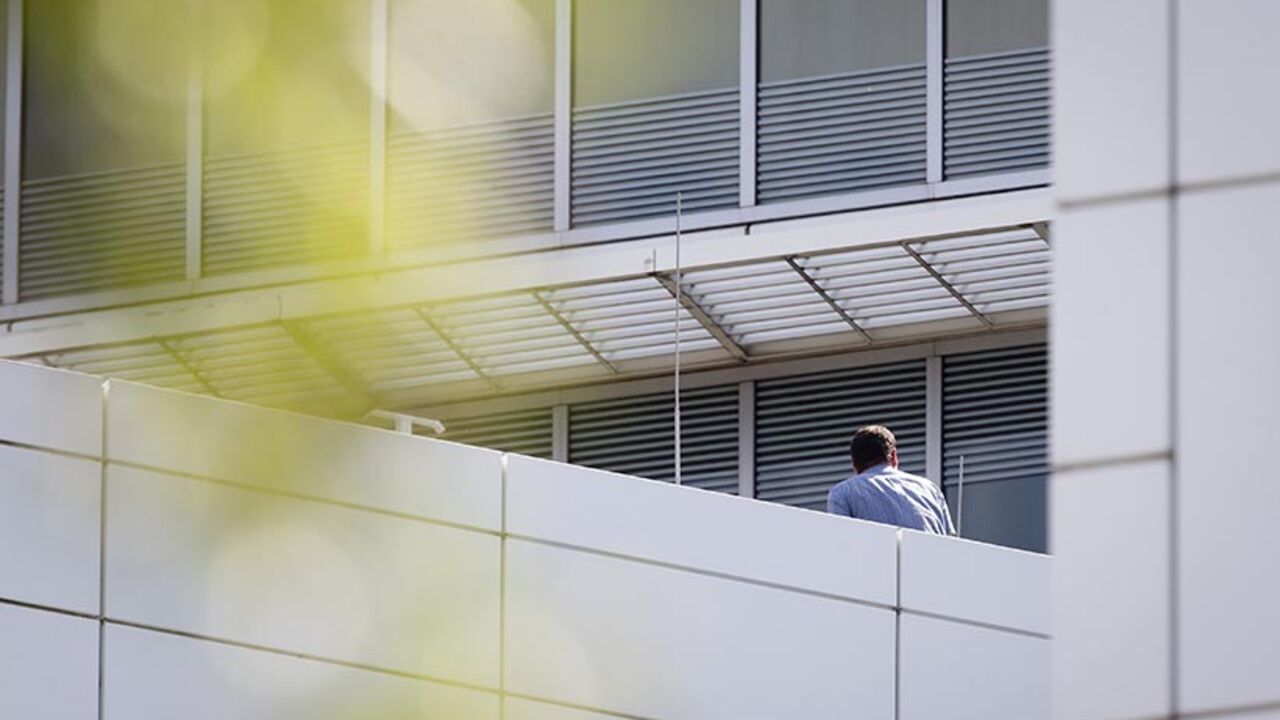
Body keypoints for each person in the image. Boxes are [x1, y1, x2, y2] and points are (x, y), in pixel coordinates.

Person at [826, 425, 955, 535]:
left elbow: (841, 545)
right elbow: (951, 545)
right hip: (932, 562)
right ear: (893, 456)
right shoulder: (931, 490)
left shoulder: (843, 494)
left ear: (854, 464)